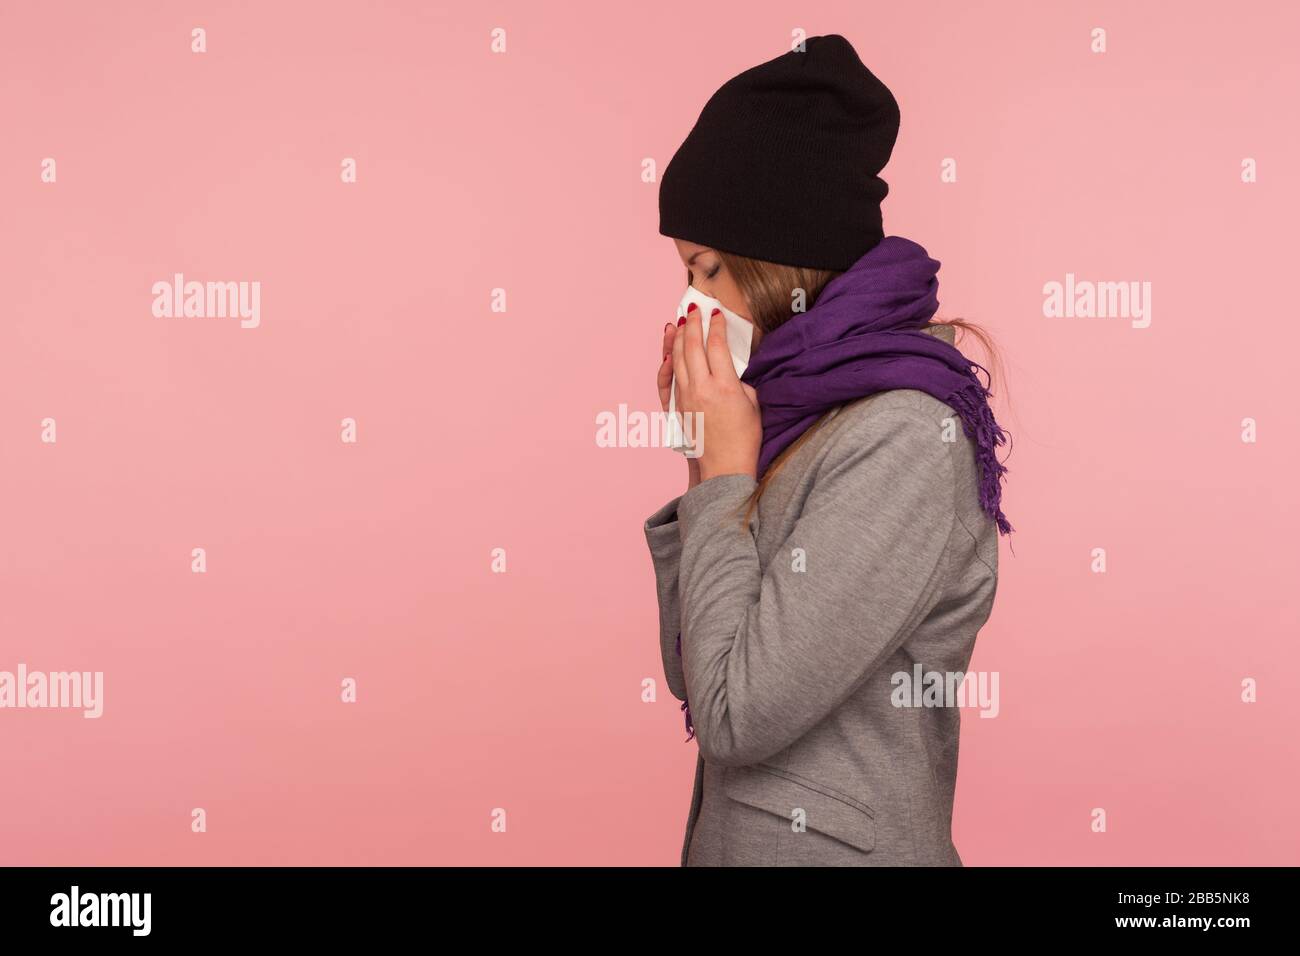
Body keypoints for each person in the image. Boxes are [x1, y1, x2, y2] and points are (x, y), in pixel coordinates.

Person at [644, 34, 1012, 866]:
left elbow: (739, 715)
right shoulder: (783, 416)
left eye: (705, 270)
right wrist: (703, 453)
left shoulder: (905, 435)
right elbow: (698, 672)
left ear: (776, 262)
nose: (690, 302)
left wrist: (726, 474)